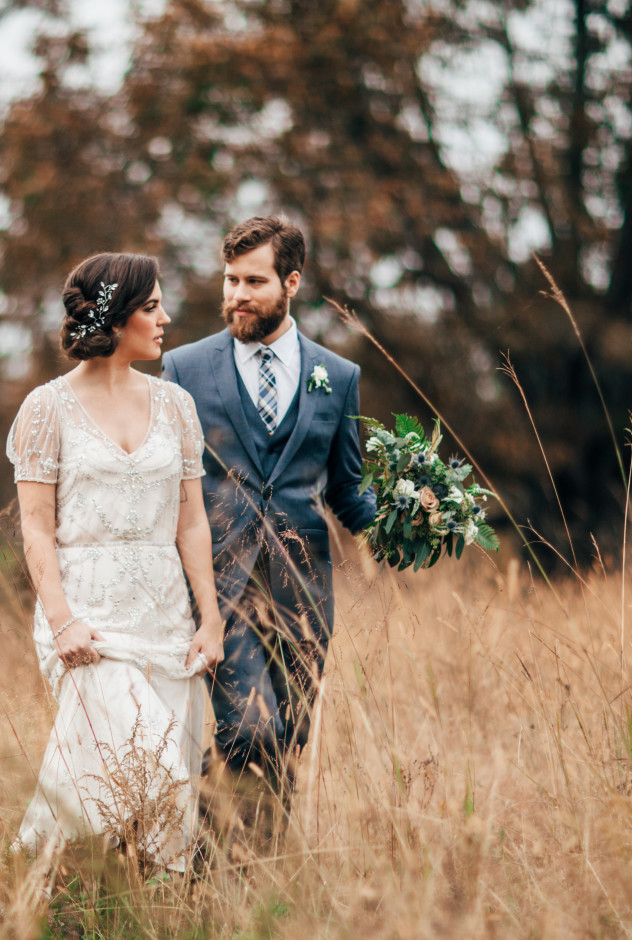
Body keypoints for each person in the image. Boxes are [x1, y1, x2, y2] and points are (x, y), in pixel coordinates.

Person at [7, 252, 224, 871]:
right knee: (151, 767)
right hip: (89, 622)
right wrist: (62, 621)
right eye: (153, 307)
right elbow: (35, 528)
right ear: (118, 316)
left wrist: (209, 618)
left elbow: (191, 521)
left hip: (167, 619)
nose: (167, 319)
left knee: (147, 797)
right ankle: (42, 884)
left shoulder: (177, 407)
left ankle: (131, 912)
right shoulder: (46, 409)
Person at [161, 216, 376, 836]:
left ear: (292, 282)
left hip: (304, 594)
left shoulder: (338, 377)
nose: (236, 295)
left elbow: (345, 489)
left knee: (288, 740)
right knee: (249, 726)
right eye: (230, 280)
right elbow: (165, 483)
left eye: (253, 281)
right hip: (218, 587)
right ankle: (212, 864)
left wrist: (400, 525)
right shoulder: (183, 368)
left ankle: (254, 880)